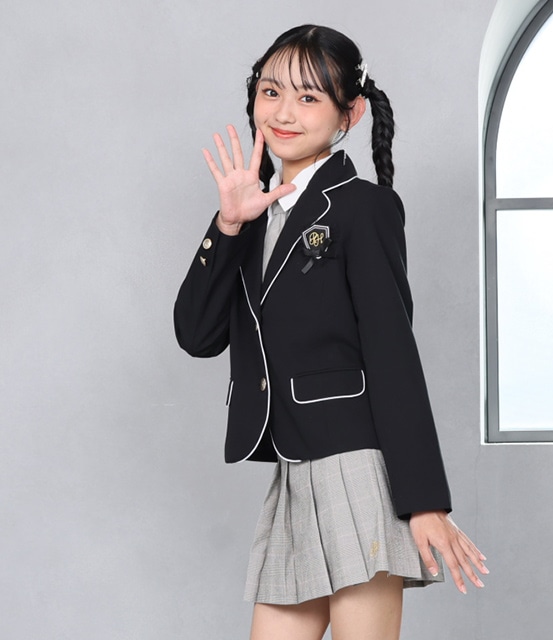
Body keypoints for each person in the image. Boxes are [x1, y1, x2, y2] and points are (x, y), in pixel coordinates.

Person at [174, 24, 488, 640]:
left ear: (351, 113)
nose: (284, 113)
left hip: (356, 472)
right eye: (271, 92)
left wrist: (424, 500)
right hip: (294, 473)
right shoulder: (252, 216)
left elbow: (393, 353)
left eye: (309, 97)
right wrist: (229, 225)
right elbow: (196, 334)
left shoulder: (362, 207)